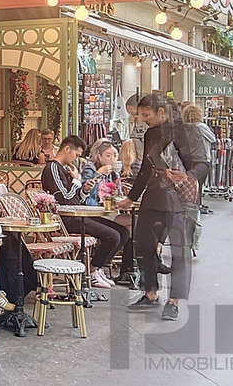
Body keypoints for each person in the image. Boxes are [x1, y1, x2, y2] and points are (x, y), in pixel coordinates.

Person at [119, 93, 209, 321]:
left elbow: (203, 164)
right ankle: (150, 293)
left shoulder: (188, 131)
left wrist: (187, 175)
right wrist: (131, 197)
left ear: (161, 112)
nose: (142, 120)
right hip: (155, 194)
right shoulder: (151, 134)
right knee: (144, 243)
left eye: (146, 115)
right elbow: (146, 169)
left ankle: (174, 301)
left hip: (182, 198)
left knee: (180, 250)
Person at [41, 136, 129, 289]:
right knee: (112, 236)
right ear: (67, 149)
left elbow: (75, 199)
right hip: (66, 219)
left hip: (78, 214)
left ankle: (98, 268)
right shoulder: (52, 168)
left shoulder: (66, 169)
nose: (76, 159)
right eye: (76, 154)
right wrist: (76, 180)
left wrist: (84, 190)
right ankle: (93, 270)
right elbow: (64, 199)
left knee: (122, 232)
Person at [181, 104, 216, 216]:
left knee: (191, 182)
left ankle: (193, 204)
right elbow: (212, 138)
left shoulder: (183, 127)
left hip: (188, 159)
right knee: (199, 184)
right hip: (202, 157)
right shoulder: (201, 126)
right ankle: (197, 205)